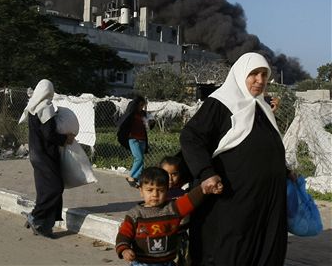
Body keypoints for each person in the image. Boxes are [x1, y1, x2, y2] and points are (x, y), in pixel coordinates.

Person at [180, 52, 291, 265]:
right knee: (233, 248)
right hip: (234, 199)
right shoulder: (221, 103)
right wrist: (206, 173)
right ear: (241, 74)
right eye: (254, 74)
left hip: (267, 200)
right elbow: (191, 137)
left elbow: (267, 147)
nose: (260, 80)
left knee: (266, 246)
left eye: (264, 74)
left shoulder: (262, 107)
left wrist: (286, 171)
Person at [115, 166, 213, 265]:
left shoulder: (172, 209)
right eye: (149, 190)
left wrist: (204, 188)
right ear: (141, 191)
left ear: (167, 191)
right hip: (142, 263)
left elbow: (190, 200)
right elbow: (124, 234)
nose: (155, 194)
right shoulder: (135, 214)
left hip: (167, 262)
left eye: (160, 190)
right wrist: (124, 250)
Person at [19, 79, 75, 239]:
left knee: (45, 190)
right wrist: (65, 139)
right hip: (45, 155)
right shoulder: (44, 108)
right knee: (55, 188)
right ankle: (36, 217)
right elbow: (49, 134)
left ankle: (44, 226)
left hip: (36, 154)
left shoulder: (32, 107)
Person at [117, 95, 149, 188]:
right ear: (136, 105)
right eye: (140, 105)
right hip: (133, 139)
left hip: (142, 139)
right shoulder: (131, 113)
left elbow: (148, 126)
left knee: (141, 159)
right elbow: (122, 123)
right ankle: (131, 176)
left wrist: (151, 123)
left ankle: (139, 179)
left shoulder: (144, 114)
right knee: (138, 158)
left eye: (143, 105)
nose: (141, 107)